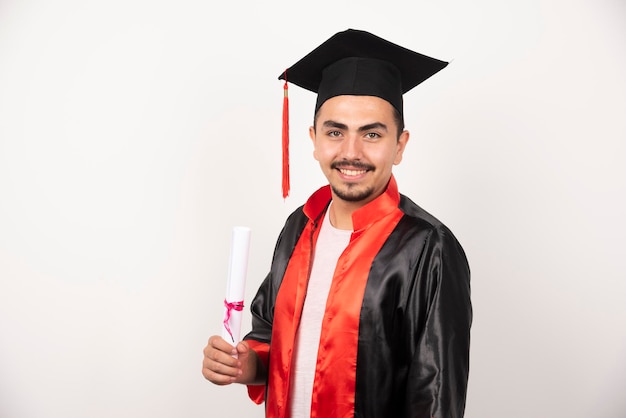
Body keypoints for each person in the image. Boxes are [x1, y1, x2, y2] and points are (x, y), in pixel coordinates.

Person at [202, 28, 472, 418]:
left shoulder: (428, 248)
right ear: (314, 139)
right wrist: (246, 364)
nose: (351, 152)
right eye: (335, 132)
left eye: (372, 134)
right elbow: (266, 332)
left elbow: (436, 397)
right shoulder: (300, 227)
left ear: (400, 145)